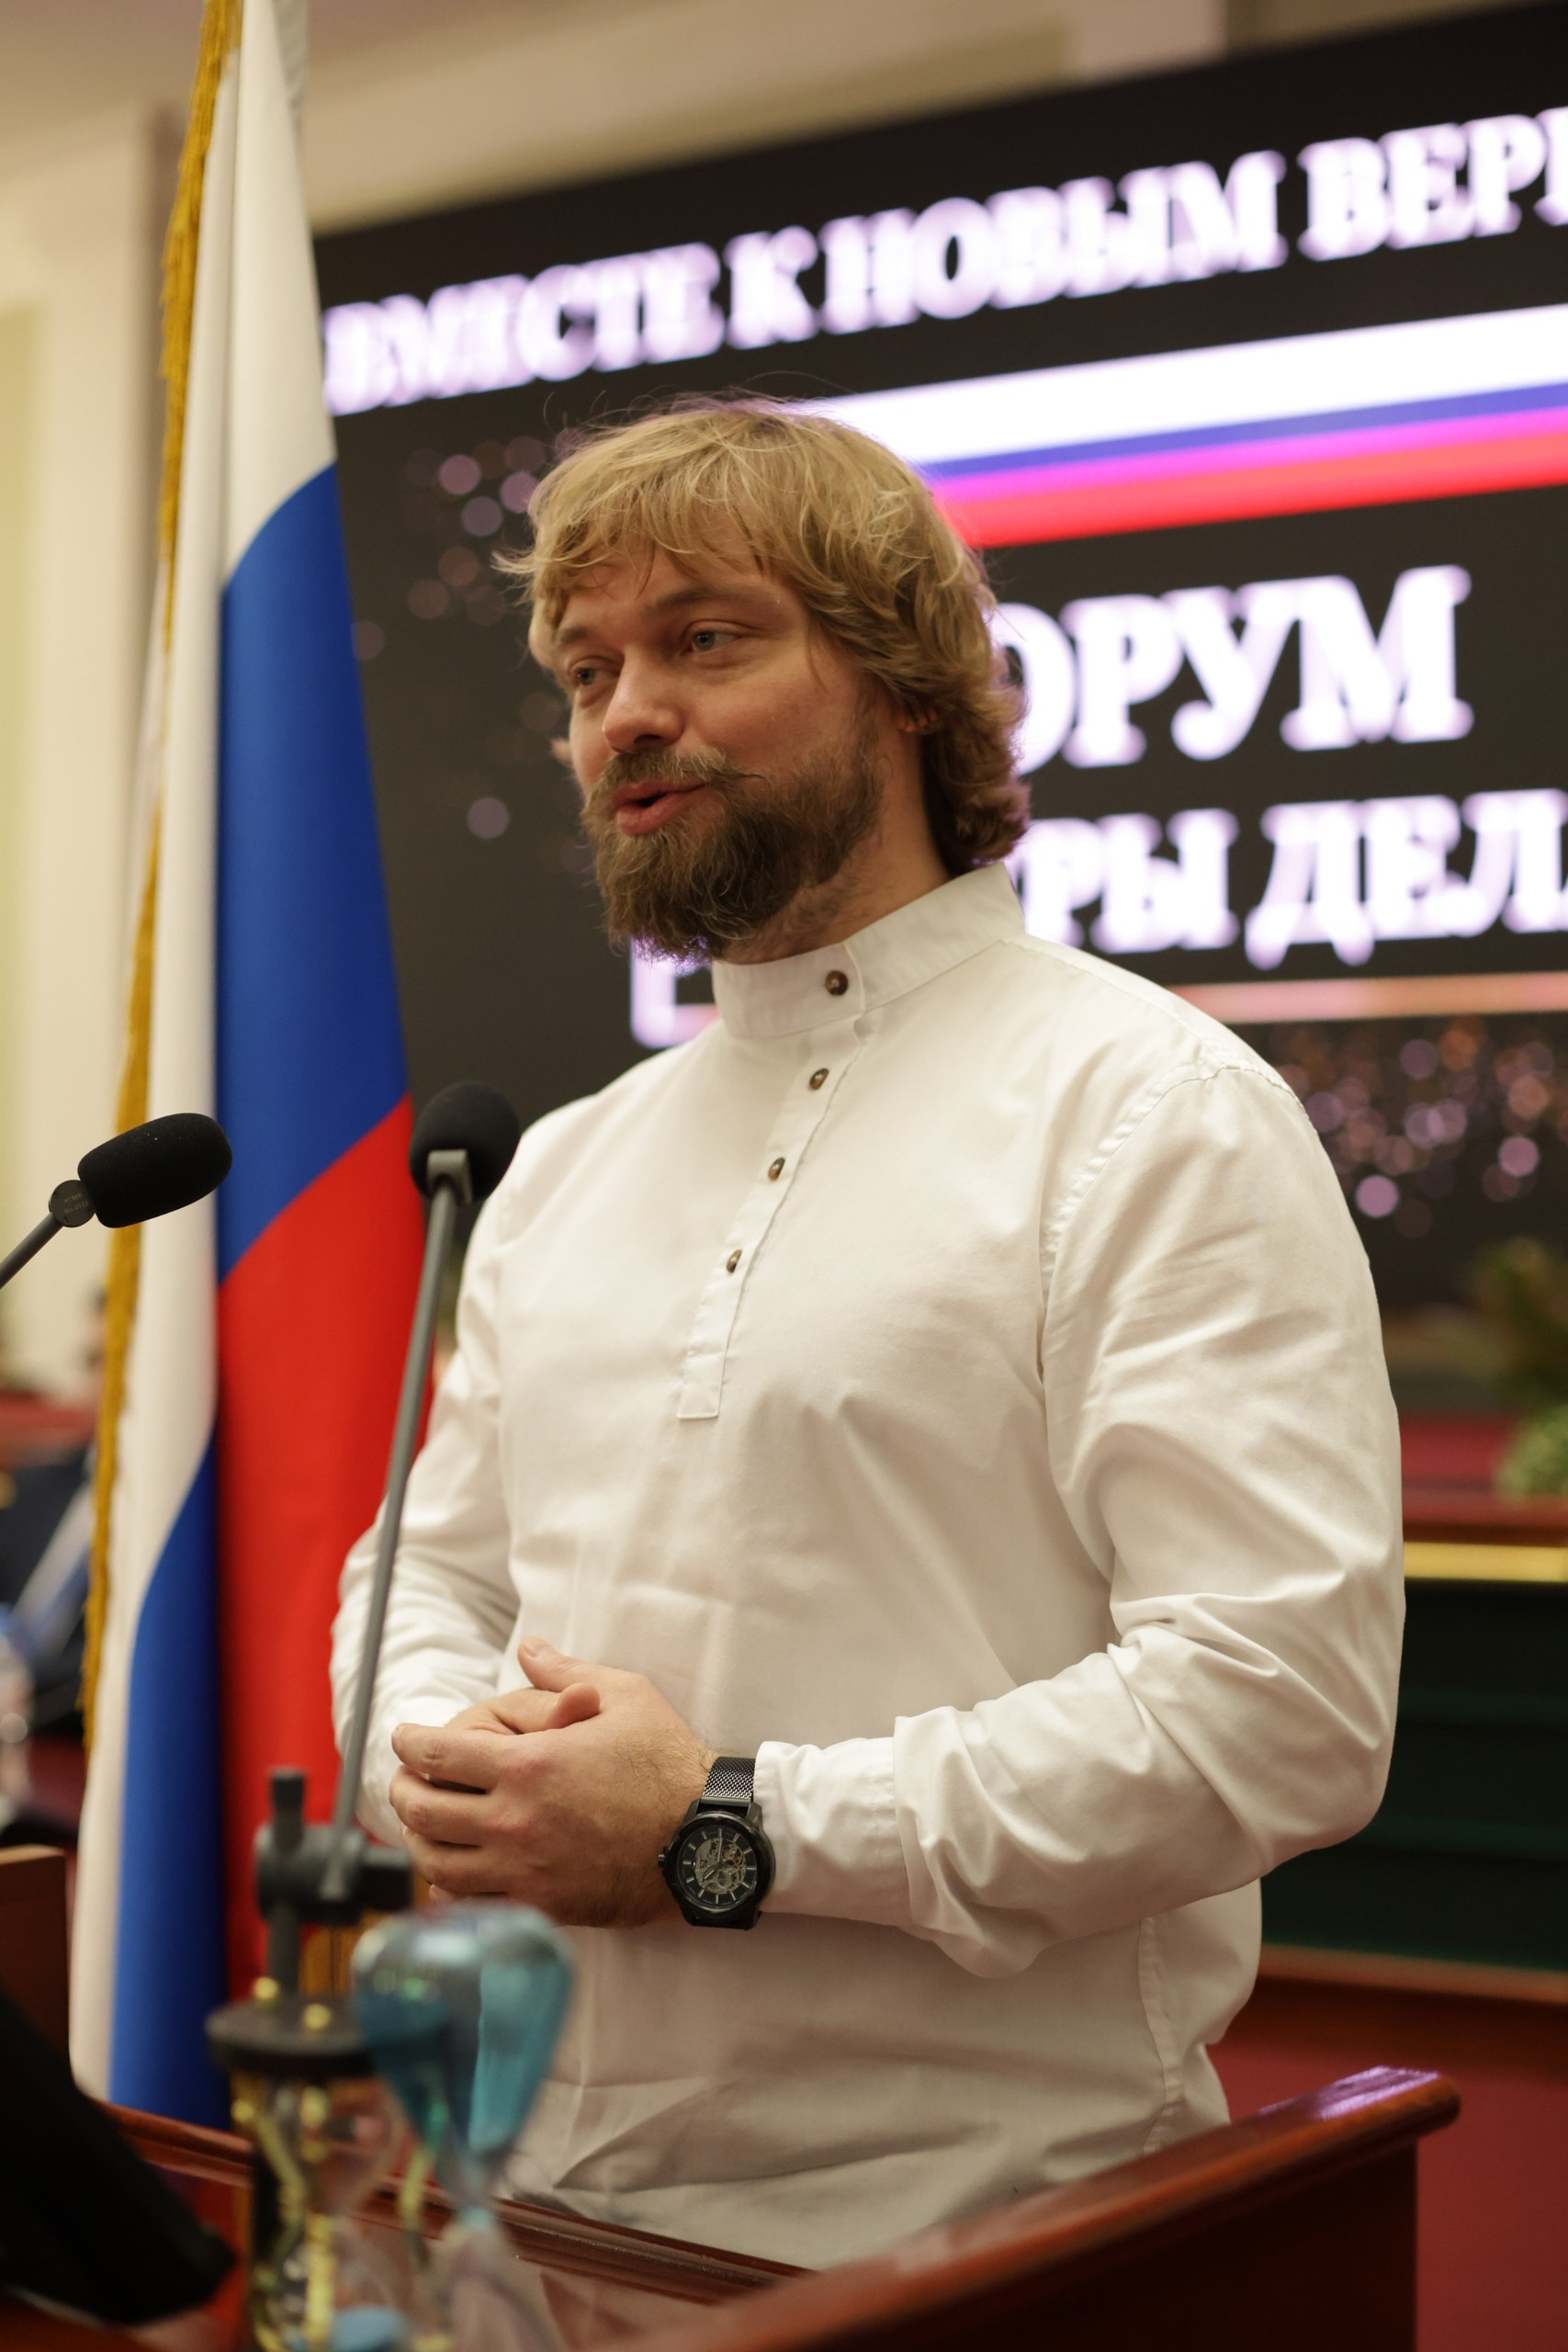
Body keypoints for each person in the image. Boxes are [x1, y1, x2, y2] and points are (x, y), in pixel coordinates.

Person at [333, 401, 1402, 2269]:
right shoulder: (566, 1161)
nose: (624, 714)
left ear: (907, 682)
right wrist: (455, 1763)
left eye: (704, 638)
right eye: (587, 670)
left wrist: (723, 1829)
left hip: (989, 2246)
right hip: (535, 2225)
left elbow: (1276, 1707)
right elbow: (426, 1572)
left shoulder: (1148, 1108)